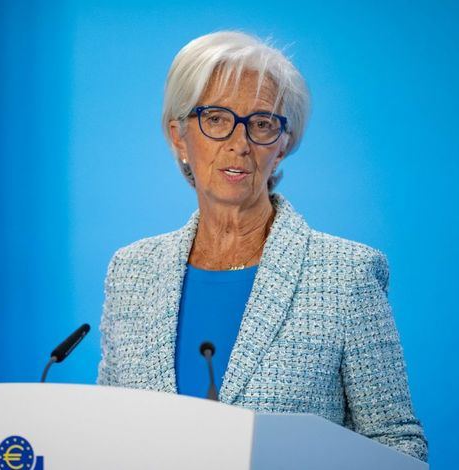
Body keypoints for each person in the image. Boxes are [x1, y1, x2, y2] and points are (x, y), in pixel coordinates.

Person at [96, 30, 428, 462]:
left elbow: (399, 448)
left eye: (262, 124)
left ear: (283, 144)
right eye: (217, 119)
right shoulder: (131, 273)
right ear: (178, 135)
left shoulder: (346, 276)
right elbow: (106, 430)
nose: (240, 144)